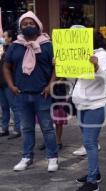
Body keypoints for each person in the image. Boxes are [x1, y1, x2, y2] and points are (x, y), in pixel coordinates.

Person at [3, 11, 58, 172]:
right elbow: (6, 66)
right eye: (24, 24)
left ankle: (52, 158)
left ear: (38, 25)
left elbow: (57, 68)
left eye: (31, 23)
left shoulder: (48, 44)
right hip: (21, 94)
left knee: (47, 128)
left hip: (42, 94)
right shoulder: (15, 46)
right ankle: (26, 157)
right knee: (26, 128)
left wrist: (50, 85)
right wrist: (11, 85)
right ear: (20, 27)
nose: (28, 26)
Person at [73, 31, 106, 191]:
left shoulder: (103, 56)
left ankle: (92, 182)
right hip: (82, 105)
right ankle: (94, 173)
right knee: (90, 143)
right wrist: (60, 64)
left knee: (89, 143)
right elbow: (76, 76)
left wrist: (96, 67)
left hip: (96, 105)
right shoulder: (80, 54)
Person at [0, 30, 22, 139]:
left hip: (9, 83)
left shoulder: (13, 49)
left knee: (14, 107)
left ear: (10, 38)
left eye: (4, 36)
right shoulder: (2, 49)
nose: (2, 38)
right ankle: (4, 128)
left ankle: (17, 129)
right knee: (4, 107)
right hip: (1, 83)